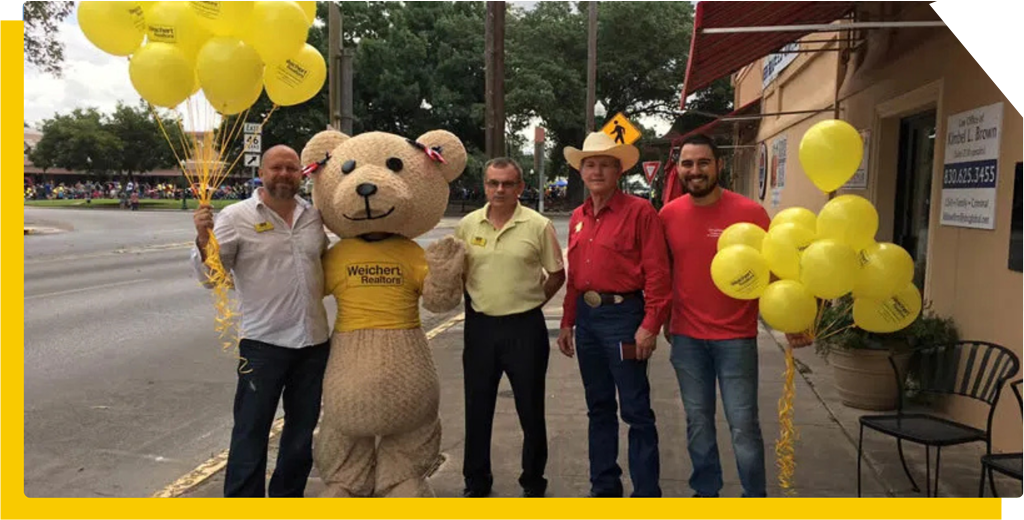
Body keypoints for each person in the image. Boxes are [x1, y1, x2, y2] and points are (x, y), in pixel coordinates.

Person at [190, 144, 331, 497]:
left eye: (291, 168)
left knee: (301, 434)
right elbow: (211, 278)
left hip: (313, 344)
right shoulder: (236, 217)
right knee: (251, 432)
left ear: (301, 174)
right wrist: (203, 238)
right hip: (263, 345)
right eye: (276, 168)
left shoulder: (314, 217)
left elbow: (325, 263)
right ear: (262, 173)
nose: (284, 174)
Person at [557, 132, 671, 498]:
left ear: (618, 171)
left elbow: (658, 274)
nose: (596, 171)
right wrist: (567, 321)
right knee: (598, 408)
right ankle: (604, 488)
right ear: (581, 172)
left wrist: (650, 325)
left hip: (624, 320)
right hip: (588, 322)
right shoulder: (578, 217)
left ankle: (646, 494)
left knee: (636, 411)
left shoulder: (640, 212)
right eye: (590, 165)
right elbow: (575, 277)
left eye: (605, 165)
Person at [658, 133, 771, 498]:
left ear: (719, 165)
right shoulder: (668, 215)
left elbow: (775, 272)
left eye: (703, 162)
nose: (695, 171)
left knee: (743, 426)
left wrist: (795, 320)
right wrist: (663, 319)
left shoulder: (751, 214)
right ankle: (706, 493)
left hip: (736, 338)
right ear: (679, 169)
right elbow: (663, 273)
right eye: (687, 164)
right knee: (698, 423)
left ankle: (754, 498)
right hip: (687, 338)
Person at [455, 158, 566, 498]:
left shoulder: (538, 225)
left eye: (507, 183)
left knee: (530, 410)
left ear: (520, 187)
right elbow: (459, 273)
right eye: (493, 183)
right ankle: (476, 481)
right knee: (477, 408)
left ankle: (533, 480)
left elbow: (557, 274)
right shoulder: (467, 225)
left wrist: (533, 302)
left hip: (524, 329)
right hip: (480, 329)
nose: (500, 189)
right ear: (485, 186)